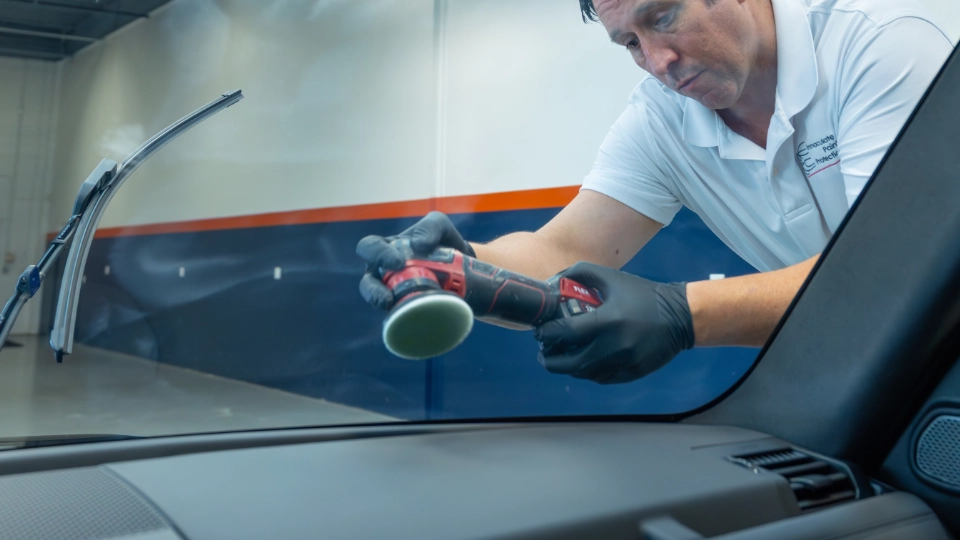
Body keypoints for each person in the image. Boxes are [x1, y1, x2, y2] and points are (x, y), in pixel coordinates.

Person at [357, 0, 953, 384]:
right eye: (630, 43)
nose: (659, 61)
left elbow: (898, 276)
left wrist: (682, 314)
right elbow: (558, 249)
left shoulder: (880, 48)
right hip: (876, 370)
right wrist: (462, 268)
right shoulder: (663, 119)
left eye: (664, 16)